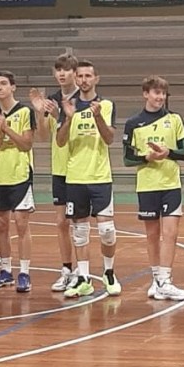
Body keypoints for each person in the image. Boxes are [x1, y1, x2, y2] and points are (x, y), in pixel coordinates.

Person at [55, 59, 120, 298]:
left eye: (88, 76)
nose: (84, 80)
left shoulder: (106, 105)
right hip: (75, 177)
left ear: (96, 79)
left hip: (100, 176)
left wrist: (98, 117)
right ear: (76, 78)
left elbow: (109, 138)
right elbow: (60, 141)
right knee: (79, 231)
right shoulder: (68, 106)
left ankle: (109, 272)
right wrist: (69, 118)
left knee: (107, 231)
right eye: (80, 76)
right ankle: (83, 278)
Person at [123, 75, 184, 301]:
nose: (160, 97)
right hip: (147, 185)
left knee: (170, 233)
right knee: (152, 234)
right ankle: (156, 280)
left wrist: (167, 153)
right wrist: (147, 157)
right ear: (146, 94)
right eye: (156, 92)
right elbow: (127, 159)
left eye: (163, 93)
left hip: (171, 184)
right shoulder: (134, 123)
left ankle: (166, 280)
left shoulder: (175, 119)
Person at [29, 53, 80, 293]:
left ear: (75, 73)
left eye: (66, 69)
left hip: (80, 169)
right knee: (61, 222)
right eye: (58, 69)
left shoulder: (83, 99)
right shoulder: (51, 100)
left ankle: (81, 270)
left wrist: (62, 117)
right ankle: (66, 269)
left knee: (78, 223)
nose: (62, 73)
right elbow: (42, 136)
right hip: (59, 169)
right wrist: (39, 112)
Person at [0, 70, 36, 293]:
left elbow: (26, 144)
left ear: (13, 87)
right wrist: (0, 133)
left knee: (21, 224)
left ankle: (24, 272)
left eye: (3, 83)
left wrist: (6, 128)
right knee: (1, 225)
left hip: (20, 175)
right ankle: (5, 271)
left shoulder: (25, 111)